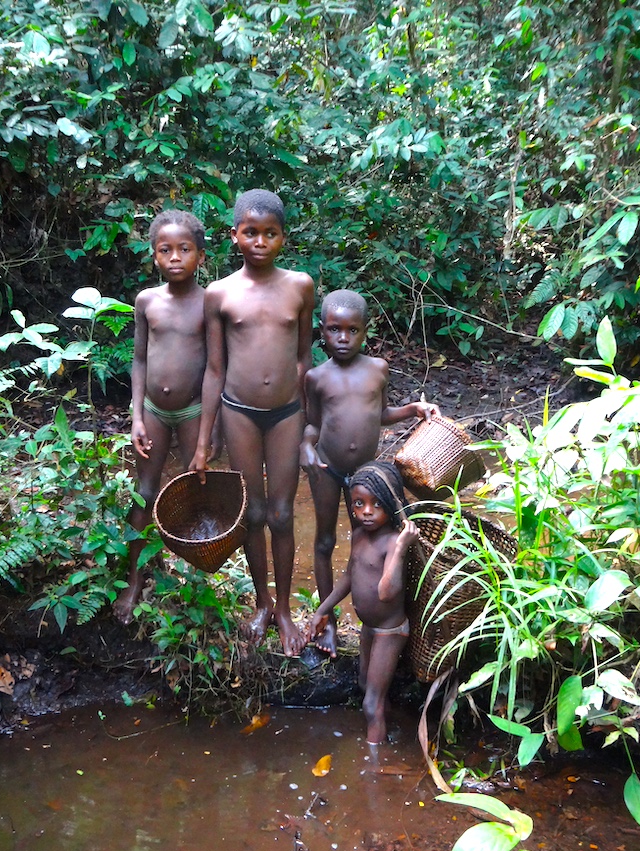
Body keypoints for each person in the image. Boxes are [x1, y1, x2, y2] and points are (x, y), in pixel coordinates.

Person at [190, 189, 315, 656]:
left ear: (283, 237)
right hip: (238, 411)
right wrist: (204, 441)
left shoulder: (300, 285)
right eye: (251, 232)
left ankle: (284, 609)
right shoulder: (219, 293)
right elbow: (214, 370)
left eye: (270, 234)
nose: (260, 241)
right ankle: (262, 603)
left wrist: (309, 426)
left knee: (282, 514)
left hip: (286, 413)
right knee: (253, 514)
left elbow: (304, 358)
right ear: (235, 236)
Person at [300, 289, 438, 656]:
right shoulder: (316, 377)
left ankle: (374, 616)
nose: (343, 339)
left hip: (365, 475)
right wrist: (305, 449)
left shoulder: (378, 369)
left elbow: (380, 414)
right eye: (333, 330)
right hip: (327, 468)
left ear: (365, 332)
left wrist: (412, 409)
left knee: (369, 544)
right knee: (326, 541)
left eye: (352, 330)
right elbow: (313, 425)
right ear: (322, 331)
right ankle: (326, 622)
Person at [113, 209, 214, 624]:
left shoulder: (211, 302)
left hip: (192, 410)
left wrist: (209, 433)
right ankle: (135, 579)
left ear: (201, 256)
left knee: (197, 491)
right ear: (154, 256)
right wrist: (135, 415)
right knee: (145, 490)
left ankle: (195, 580)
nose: (175, 257)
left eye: (184, 249)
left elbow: (215, 368)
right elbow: (139, 360)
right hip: (153, 410)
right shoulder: (146, 301)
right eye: (165, 250)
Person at [308, 462, 418, 752]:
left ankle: (374, 762)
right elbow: (348, 577)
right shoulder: (359, 536)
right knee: (364, 685)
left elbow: (385, 592)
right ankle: (388, 730)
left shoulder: (392, 542)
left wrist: (400, 548)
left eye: (376, 504)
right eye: (359, 503)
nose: (366, 511)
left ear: (391, 504)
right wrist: (323, 609)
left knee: (371, 702)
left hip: (389, 631)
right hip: (370, 628)